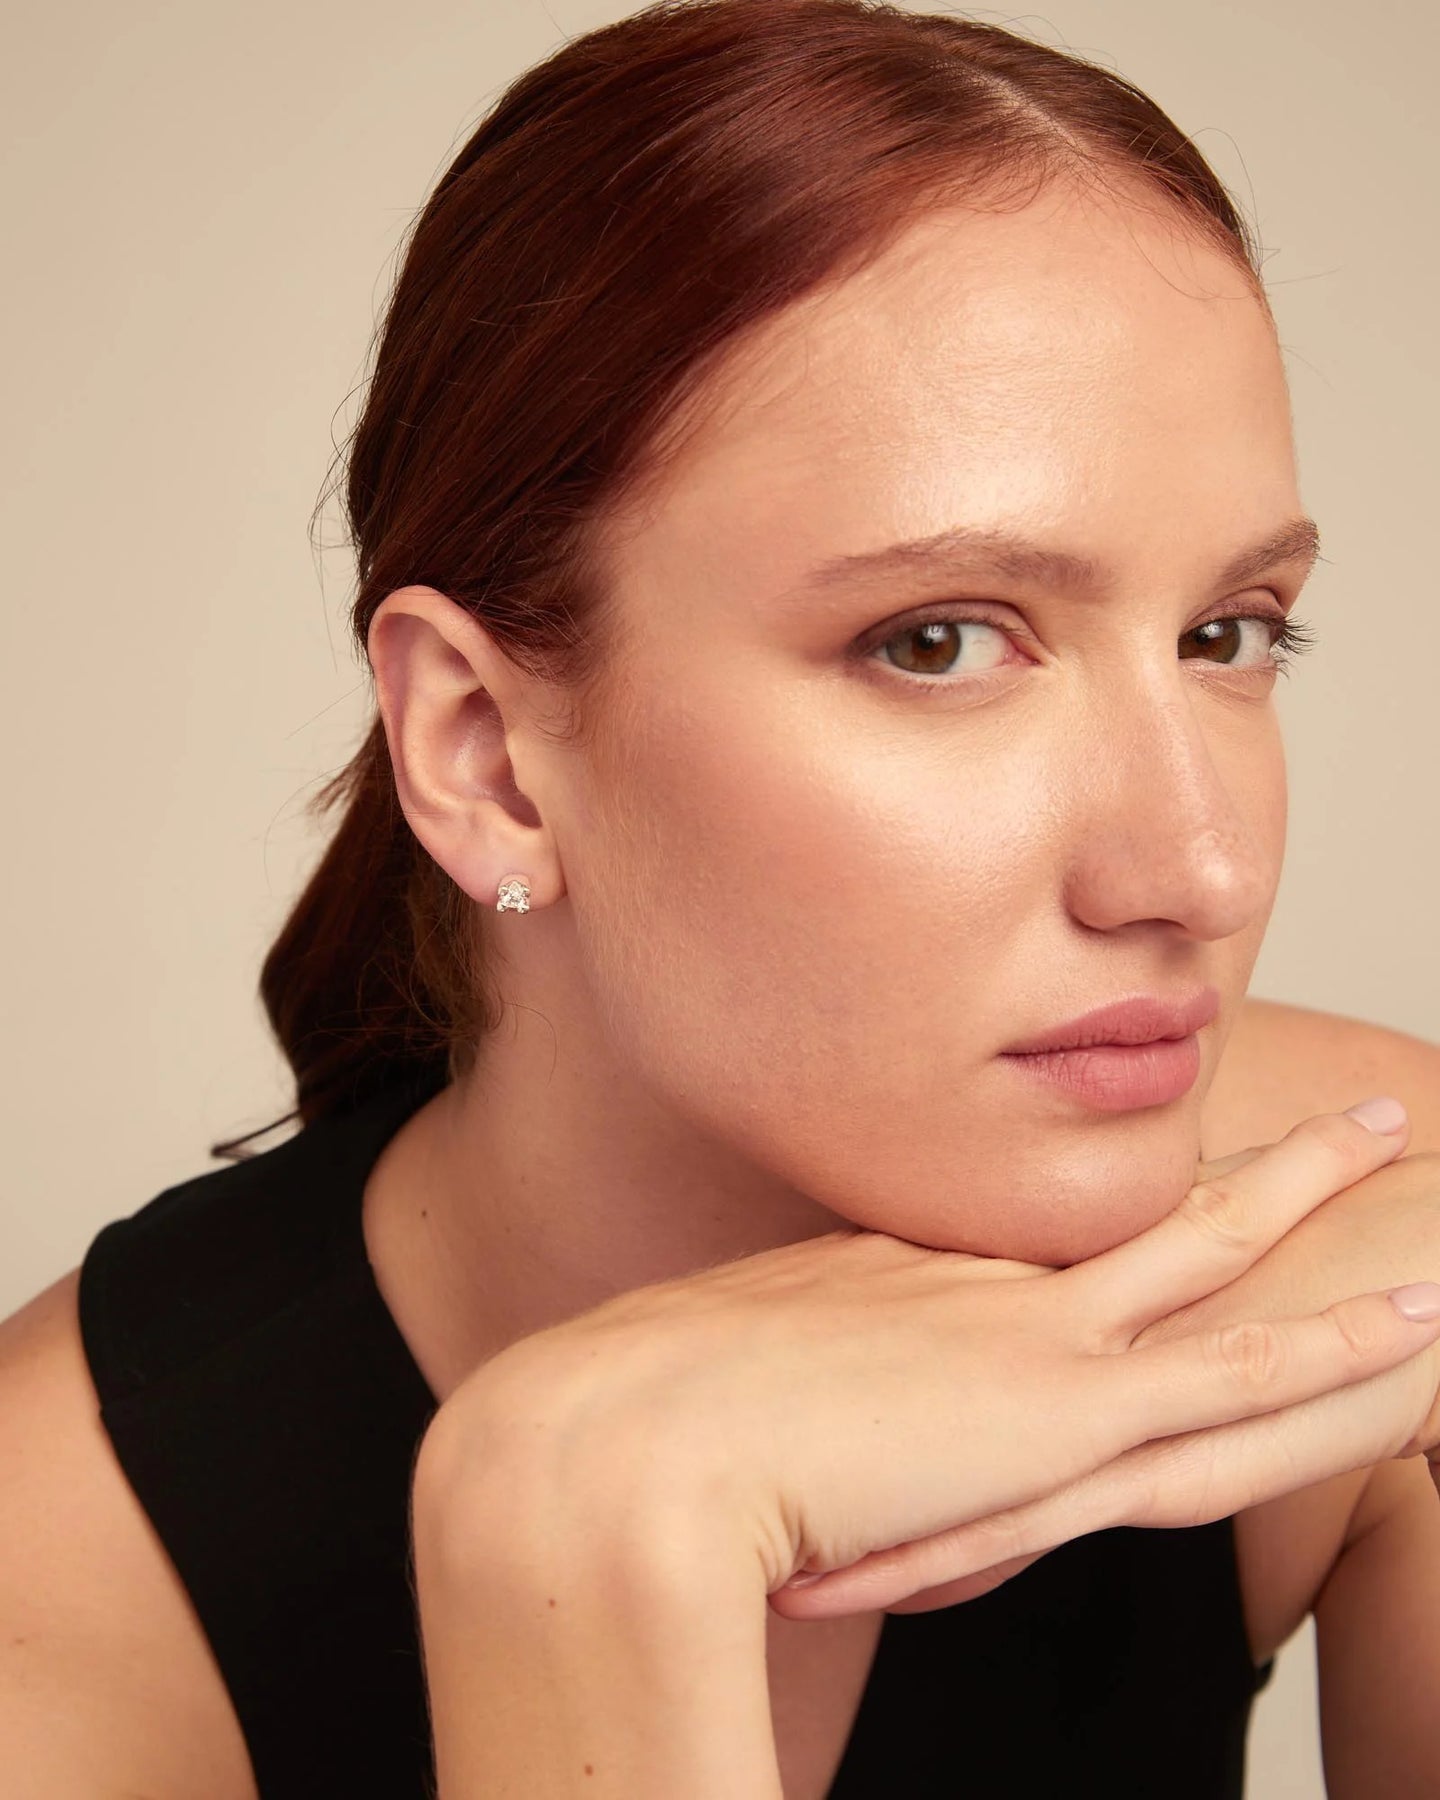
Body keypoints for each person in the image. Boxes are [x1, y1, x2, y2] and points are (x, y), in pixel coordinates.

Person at [3, 0, 1440, 1795]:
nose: (1201, 869)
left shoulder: (1366, 1239)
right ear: (487, 755)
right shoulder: (47, 1606)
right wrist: (583, 1538)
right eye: (938, 642)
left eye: (1228, 635)